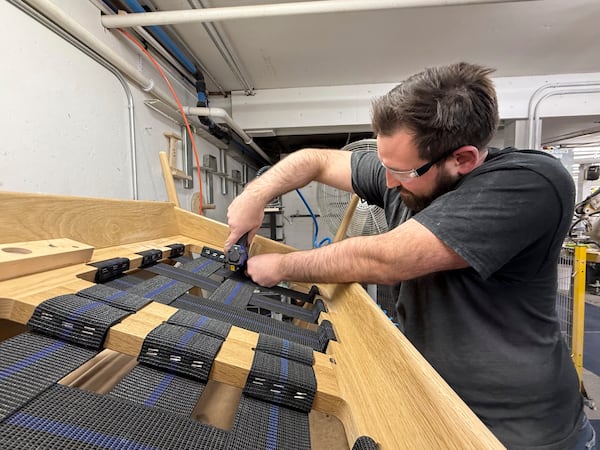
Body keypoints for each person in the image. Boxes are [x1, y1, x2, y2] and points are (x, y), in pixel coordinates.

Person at [225, 62, 595, 449]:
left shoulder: (531, 182)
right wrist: (254, 196)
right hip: (437, 408)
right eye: (384, 165)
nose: (385, 182)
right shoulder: (408, 177)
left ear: (463, 159)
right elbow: (315, 160)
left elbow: (386, 260)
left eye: (400, 171)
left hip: (521, 432)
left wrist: (282, 265)